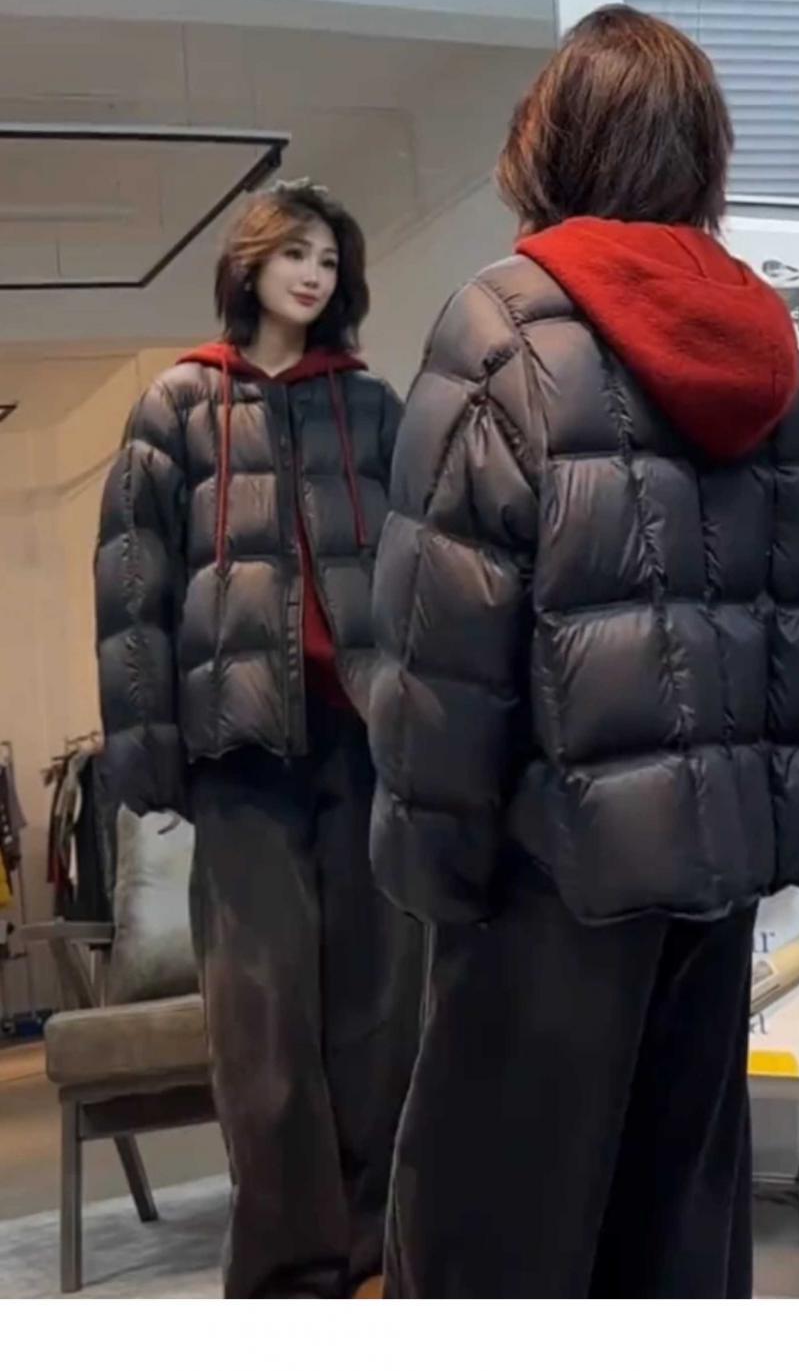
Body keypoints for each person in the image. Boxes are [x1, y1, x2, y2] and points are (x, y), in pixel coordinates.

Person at [368, 7, 799, 1298]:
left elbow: (440, 637)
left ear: (551, 142)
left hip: (549, 878)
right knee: (679, 1231)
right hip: (711, 880)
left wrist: (432, 866)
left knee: (493, 1242)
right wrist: (783, 837)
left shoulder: (501, 326)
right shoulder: (770, 344)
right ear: (701, 150)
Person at [94, 178, 421, 1298]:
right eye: (296, 253)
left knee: (380, 1016)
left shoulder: (372, 408)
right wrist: (146, 749)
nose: (314, 273)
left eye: (330, 258)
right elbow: (131, 586)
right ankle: (288, 1276)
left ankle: (378, 1259)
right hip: (240, 758)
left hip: (363, 748)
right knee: (263, 1029)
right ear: (251, 263)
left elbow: (417, 574)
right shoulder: (176, 405)